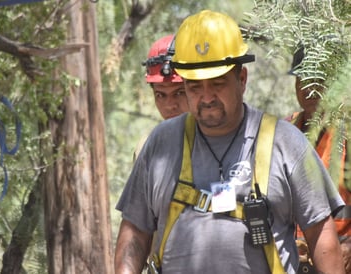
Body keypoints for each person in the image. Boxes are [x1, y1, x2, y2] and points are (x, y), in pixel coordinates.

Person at [114, 10, 345, 274]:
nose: (207, 96)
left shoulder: (285, 142)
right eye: (195, 87)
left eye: (218, 83)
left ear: (242, 79)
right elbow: (135, 230)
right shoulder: (161, 145)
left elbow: (321, 233)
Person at [287, 47, 351, 274]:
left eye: (318, 79)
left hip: (338, 260)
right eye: (303, 79)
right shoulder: (283, 132)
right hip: (293, 262)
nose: (309, 89)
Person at [133, 35, 188, 160]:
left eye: (179, 93)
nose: (169, 105)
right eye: (160, 95)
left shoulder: (223, 140)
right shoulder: (148, 148)